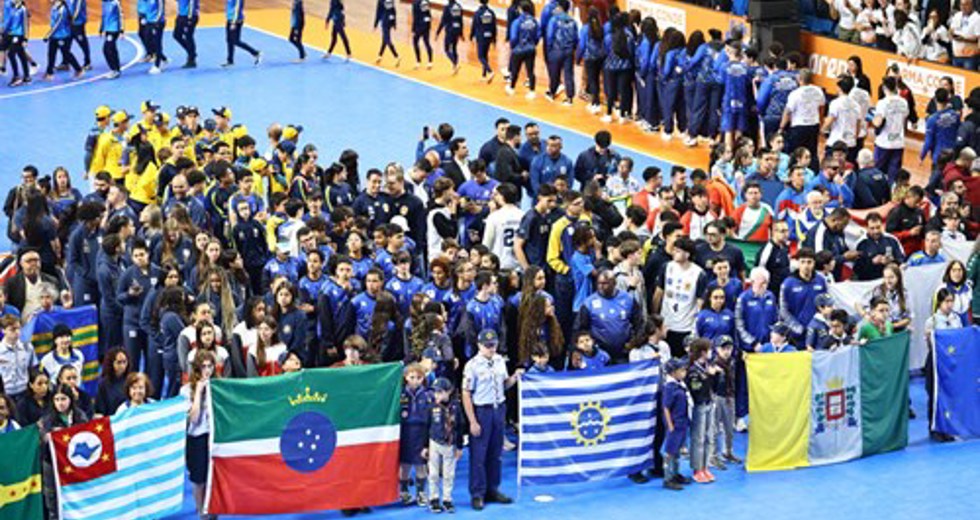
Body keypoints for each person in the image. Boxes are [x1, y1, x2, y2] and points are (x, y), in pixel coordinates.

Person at [461, 330, 521, 511]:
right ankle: (477, 493)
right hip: (482, 411)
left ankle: (493, 489)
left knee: (496, 453)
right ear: (479, 345)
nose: (491, 349)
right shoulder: (472, 365)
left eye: (493, 345)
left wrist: (515, 378)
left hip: (498, 409)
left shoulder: (500, 361)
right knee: (479, 455)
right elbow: (466, 393)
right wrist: (472, 421)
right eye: (487, 346)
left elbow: (504, 385)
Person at [655, 237, 707, 357]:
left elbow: (700, 303)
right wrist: (656, 315)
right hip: (666, 324)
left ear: (687, 254)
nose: (674, 253)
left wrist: (695, 327)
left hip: (686, 326)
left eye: (678, 251)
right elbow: (658, 293)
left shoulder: (698, 273)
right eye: (674, 250)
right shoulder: (667, 267)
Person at [183, 350, 216, 519]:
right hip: (196, 438)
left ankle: (214, 512)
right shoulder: (185, 390)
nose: (207, 370)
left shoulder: (219, 387)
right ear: (197, 369)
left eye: (210, 366)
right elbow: (194, 419)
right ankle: (202, 513)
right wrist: (199, 392)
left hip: (214, 437)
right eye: (203, 367)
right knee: (199, 480)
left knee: (214, 476)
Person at [426, 377, 463, 513]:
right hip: (434, 442)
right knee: (434, 473)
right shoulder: (432, 406)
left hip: (450, 444)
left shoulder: (456, 407)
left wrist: (459, 447)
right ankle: (434, 498)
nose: (437, 395)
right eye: (435, 392)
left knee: (449, 474)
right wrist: (425, 446)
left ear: (449, 391)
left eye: (440, 392)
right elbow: (427, 425)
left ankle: (447, 499)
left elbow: (460, 427)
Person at [779, 248, 828, 345]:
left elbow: (826, 305)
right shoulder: (788, 284)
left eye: (809, 262)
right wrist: (798, 328)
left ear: (814, 263)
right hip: (796, 337)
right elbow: (783, 311)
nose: (806, 265)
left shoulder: (821, 281)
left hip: (817, 335)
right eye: (803, 262)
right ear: (798, 263)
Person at [873, 76, 911, 180]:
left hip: (884, 142)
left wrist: (872, 119)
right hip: (898, 142)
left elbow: (877, 122)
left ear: (884, 87)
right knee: (894, 174)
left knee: (877, 172)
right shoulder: (904, 102)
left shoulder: (883, 103)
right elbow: (905, 118)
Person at [662, 357, 691, 491]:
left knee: (677, 452)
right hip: (675, 424)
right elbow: (666, 407)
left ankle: (676, 474)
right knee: (670, 452)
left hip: (683, 423)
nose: (684, 372)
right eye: (681, 370)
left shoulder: (681, 385)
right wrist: (670, 426)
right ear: (673, 372)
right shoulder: (669, 387)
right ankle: (668, 478)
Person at [482, 183, 524, 270]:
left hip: (500, 263)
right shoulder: (523, 216)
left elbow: (487, 244)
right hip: (519, 264)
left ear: (502, 197)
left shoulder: (494, 216)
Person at [544, 0, 578, 105]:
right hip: (569, 51)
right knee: (569, 74)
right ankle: (570, 98)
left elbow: (549, 36)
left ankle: (552, 92)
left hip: (556, 50)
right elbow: (576, 38)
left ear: (560, 7)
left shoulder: (554, 20)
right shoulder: (573, 21)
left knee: (554, 72)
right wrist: (573, 49)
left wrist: (549, 49)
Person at [0, 315, 37, 404]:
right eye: (12, 329)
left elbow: (33, 368)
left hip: (24, 391)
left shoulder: (27, 347)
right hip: (6, 393)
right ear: (3, 330)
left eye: (18, 329)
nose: (17, 332)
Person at [44, 0, 84, 81]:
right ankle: (49, 72)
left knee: (66, 54)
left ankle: (79, 69)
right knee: (51, 54)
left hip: (63, 35)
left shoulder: (63, 10)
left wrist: (48, 35)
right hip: (54, 35)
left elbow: (57, 24)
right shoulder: (54, 7)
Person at [507, 1, 540, 99]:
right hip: (531, 49)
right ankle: (532, 91)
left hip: (519, 50)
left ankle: (512, 88)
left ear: (521, 9)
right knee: (530, 71)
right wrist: (533, 44)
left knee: (515, 70)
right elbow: (538, 35)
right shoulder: (534, 21)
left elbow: (513, 37)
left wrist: (514, 47)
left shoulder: (517, 22)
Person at [223, 0, 262, 67]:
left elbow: (237, 9)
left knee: (235, 41)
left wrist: (233, 22)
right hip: (229, 19)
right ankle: (230, 61)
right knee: (229, 40)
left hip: (236, 21)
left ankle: (256, 53)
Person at [95, 347, 130, 415]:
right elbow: (100, 410)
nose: (122, 366)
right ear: (111, 363)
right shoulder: (103, 384)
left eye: (124, 362)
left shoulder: (131, 380)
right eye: (119, 362)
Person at [472, 0, 497, 81]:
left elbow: (474, 25)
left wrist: (471, 36)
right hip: (489, 36)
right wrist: (494, 39)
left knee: (480, 56)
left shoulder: (478, 13)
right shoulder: (491, 12)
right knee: (485, 55)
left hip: (481, 37)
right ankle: (484, 75)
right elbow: (494, 26)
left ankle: (490, 71)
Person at [436, 0, 463, 74]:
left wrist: (438, 32)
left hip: (450, 30)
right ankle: (455, 68)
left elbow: (442, 21)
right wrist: (461, 33)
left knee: (447, 49)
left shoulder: (447, 7)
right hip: (457, 30)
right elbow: (461, 21)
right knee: (454, 48)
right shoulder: (459, 7)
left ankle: (455, 63)